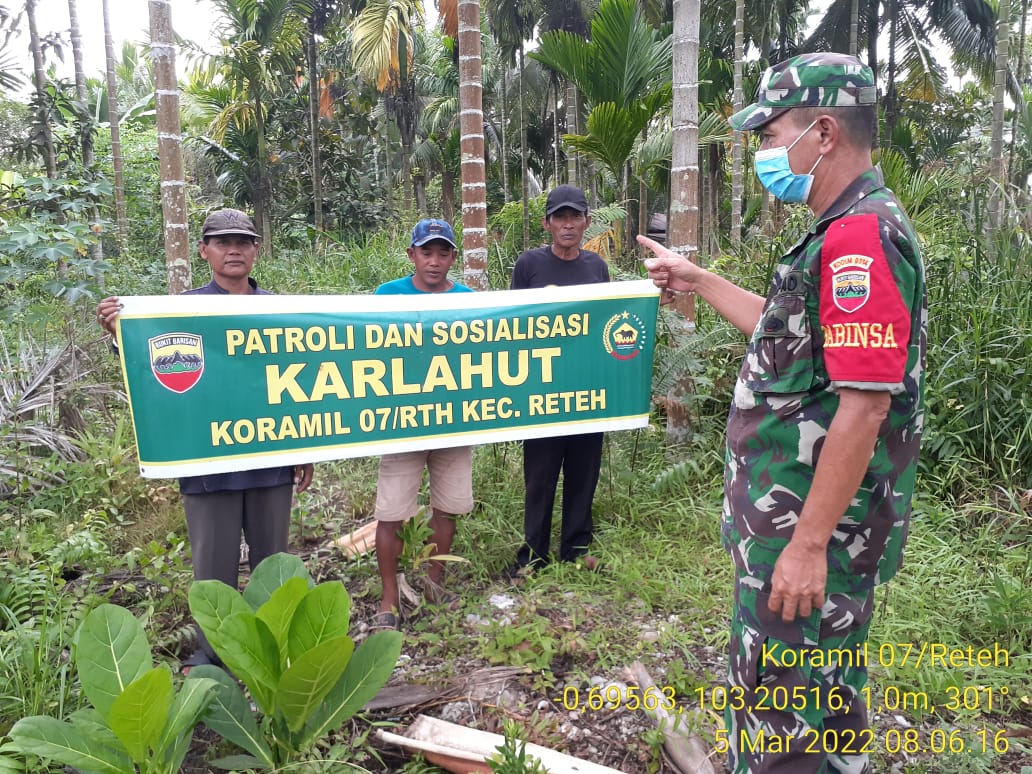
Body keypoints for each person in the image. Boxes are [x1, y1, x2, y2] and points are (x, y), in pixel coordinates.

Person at [639, 53, 926, 774]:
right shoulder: (839, 231)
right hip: (793, 527)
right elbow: (793, 335)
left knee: (785, 722)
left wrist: (804, 546)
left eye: (771, 136)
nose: (765, 154)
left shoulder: (859, 239)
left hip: (808, 535)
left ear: (823, 133)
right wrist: (701, 281)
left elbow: (862, 410)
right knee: (816, 702)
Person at [96, 208, 314, 672]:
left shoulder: (279, 308)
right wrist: (120, 332)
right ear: (204, 251)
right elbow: (150, 366)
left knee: (271, 566)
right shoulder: (182, 308)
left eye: (243, 241)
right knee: (212, 573)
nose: (233, 249)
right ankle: (213, 659)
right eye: (222, 242)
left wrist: (307, 449)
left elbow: (303, 375)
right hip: (208, 462)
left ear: (256, 250)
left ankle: (270, 653)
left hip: (271, 455)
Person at [370, 218, 475, 631]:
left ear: (453, 257)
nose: (434, 261)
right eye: (426, 252)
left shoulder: (468, 299)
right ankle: (389, 599)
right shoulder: (386, 296)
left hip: (454, 421)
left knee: (447, 509)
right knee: (392, 513)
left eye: (443, 252)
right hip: (401, 421)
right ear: (411, 254)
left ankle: (434, 584)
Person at [507, 184, 610, 579]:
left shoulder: (596, 267)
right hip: (541, 389)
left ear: (586, 221)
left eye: (575, 217)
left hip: (586, 388)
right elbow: (513, 322)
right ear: (547, 223)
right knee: (540, 476)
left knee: (584, 473)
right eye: (560, 217)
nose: (568, 225)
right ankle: (532, 554)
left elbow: (605, 320)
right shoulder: (528, 265)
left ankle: (576, 549)